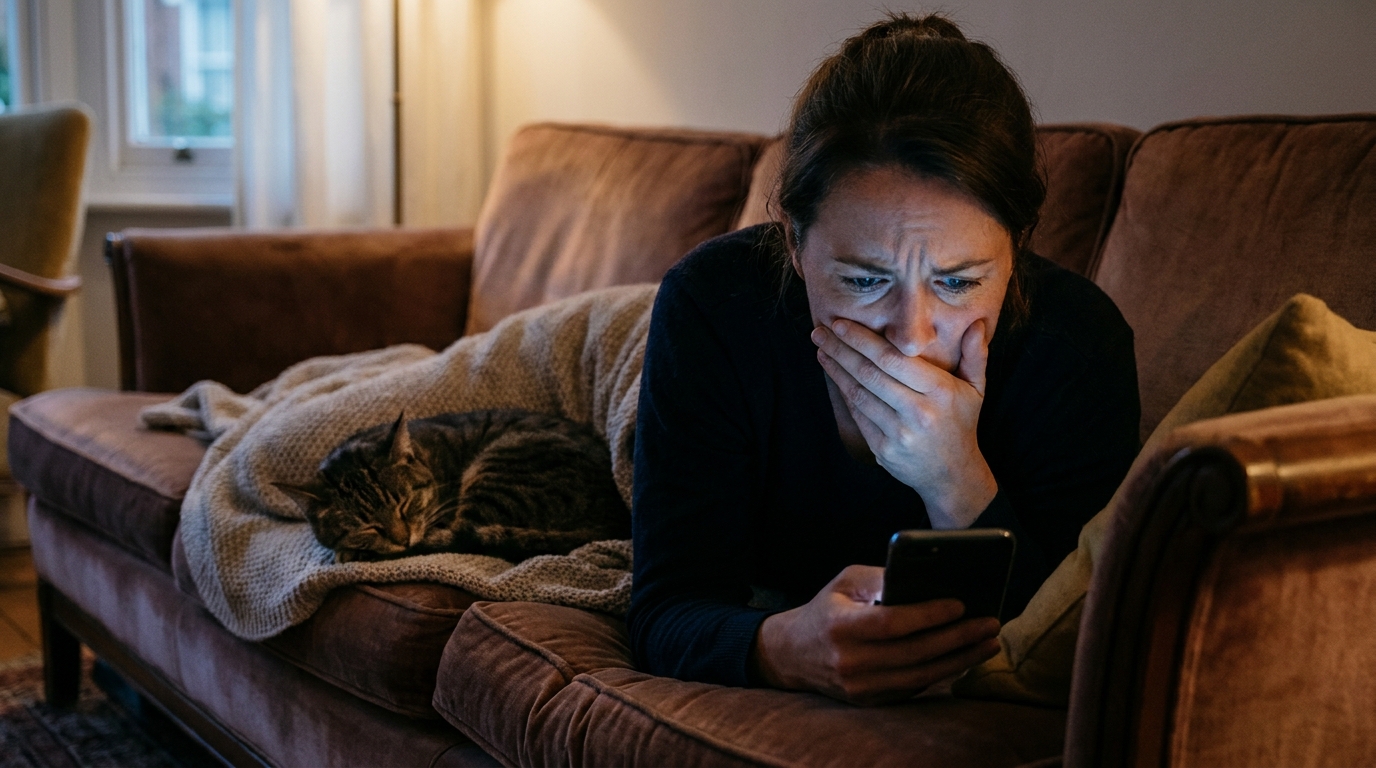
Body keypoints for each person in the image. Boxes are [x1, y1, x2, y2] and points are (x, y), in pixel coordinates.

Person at [628, 13, 1140, 706]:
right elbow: (668, 604)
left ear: (1017, 246)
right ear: (795, 243)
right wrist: (779, 647)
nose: (912, 333)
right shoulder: (716, 303)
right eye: (865, 280)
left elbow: (1076, 640)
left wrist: (957, 478)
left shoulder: (1077, 344)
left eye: (959, 281)